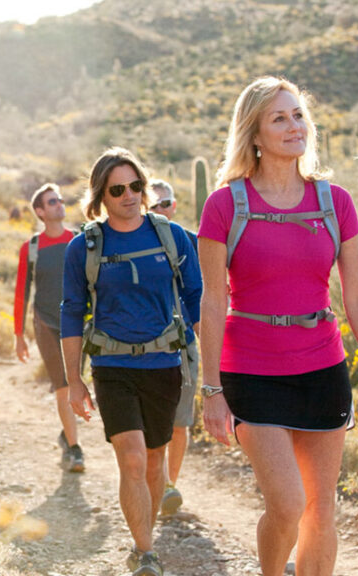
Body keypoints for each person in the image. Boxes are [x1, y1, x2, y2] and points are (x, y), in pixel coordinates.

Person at [196, 77, 358, 576]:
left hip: (321, 370)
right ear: (255, 135)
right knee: (287, 504)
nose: (294, 126)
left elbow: (357, 296)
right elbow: (214, 299)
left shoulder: (335, 203)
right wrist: (211, 390)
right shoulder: (224, 205)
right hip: (252, 371)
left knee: (321, 511)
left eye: (299, 115)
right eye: (279, 118)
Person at [61, 147, 202, 576]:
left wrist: (210, 367)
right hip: (113, 369)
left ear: (144, 186)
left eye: (135, 186)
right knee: (133, 458)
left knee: (156, 459)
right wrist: (74, 381)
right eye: (116, 189)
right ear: (101, 195)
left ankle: (146, 537)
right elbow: (71, 311)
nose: (128, 195)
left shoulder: (172, 237)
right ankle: (145, 551)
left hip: (164, 365)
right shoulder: (83, 247)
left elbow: (197, 300)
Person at [13, 183, 84, 473]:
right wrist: (19, 336)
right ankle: (76, 449)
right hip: (45, 323)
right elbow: (21, 293)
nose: (59, 205)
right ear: (40, 211)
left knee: (76, 381)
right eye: (52, 202)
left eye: (60, 200)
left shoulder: (78, 242)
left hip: (78, 323)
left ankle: (67, 436)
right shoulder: (30, 249)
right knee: (63, 386)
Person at [147, 178, 200, 516]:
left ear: (174, 206)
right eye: (154, 206)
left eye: (166, 204)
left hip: (185, 344)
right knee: (154, 425)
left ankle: (169, 486)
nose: (161, 210)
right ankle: (154, 484)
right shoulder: (136, 245)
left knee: (180, 422)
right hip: (145, 345)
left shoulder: (192, 242)